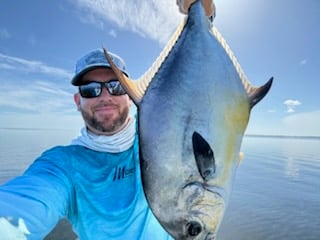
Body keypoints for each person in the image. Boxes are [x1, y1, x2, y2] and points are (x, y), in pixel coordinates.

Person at [0, 1, 215, 239]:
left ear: (131, 95)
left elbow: (198, 95)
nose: (104, 96)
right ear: (77, 100)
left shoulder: (162, 137)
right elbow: (18, 209)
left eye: (115, 86)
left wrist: (204, 15)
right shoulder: (63, 166)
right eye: (90, 89)